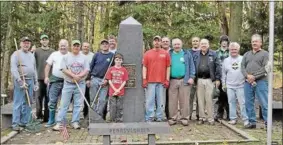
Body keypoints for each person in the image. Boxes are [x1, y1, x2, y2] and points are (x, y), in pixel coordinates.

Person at [53, 40, 89, 130]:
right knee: (64, 104)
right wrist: (73, 75)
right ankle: (59, 123)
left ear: (79, 47)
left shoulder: (84, 58)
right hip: (68, 83)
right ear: (71, 47)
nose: (76, 47)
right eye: (74, 45)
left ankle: (75, 122)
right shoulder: (66, 57)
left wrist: (79, 76)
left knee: (78, 104)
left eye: (77, 46)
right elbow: (63, 69)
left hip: (80, 84)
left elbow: (86, 70)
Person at [10, 37, 39, 131]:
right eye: (24, 43)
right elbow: (14, 69)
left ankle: (24, 122)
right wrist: (19, 81)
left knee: (28, 102)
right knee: (18, 103)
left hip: (30, 81)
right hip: (21, 81)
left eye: (28, 43)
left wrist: (36, 82)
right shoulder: (16, 54)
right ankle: (15, 124)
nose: (26, 44)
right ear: (20, 44)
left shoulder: (31, 55)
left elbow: (34, 69)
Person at [241, 34, 269, 129]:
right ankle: (252, 122)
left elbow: (266, 68)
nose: (254, 43)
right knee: (248, 103)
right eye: (253, 41)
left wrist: (254, 76)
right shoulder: (246, 54)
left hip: (261, 82)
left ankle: (267, 123)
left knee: (264, 103)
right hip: (247, 82)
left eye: (256, 41)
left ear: (261, 43)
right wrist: (247, 76)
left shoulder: (265, 54)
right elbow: (242, 66)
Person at [142, 35, 171, 122]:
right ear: (153, 42)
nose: (157, 42)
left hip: (161, 82)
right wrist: (144, 79)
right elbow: (144, 67)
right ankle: (149, 117)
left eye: (158, 40)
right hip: (150, 81)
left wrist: (167, 79)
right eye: (155, 40)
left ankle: (159, 117)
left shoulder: (165, 53)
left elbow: (168, 67)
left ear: (161, 42)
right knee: (149, 100)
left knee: (161, 101)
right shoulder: (147, 53)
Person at [167, 38, 195, 126]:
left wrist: (192, 77)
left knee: (185, 100)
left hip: (184, 80)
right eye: (175, 44)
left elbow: (192, 66)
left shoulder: (187, 54)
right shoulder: (169, 54)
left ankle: (184, 118)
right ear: (172, 45)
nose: (177, 46)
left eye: (178, 44)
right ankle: (173, 118)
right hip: (172, 80)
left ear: (181, 44)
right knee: (172, 101)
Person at [193, 39, 221, 125]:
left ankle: (210, 118)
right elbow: (193, 67)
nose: (203, 45)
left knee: (209, 99)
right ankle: (201, 118)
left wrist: (217, 79)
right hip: (199, 80)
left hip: (210, 80)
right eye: (202, 44)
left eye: (205, 43)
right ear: (200, 45)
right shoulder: (196, 54)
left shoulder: (213, 54)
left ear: (208, 45)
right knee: (200, 100)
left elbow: (218, 67)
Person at [222, 42, 248, 126]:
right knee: (231, 102)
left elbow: (247, 71)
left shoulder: (243, 58)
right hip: (230, 85)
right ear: (229, 50)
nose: (233, 51)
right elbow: (223, 74)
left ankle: (245, 119)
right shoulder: (226, 60)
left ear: (238, 50)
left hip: (241, 85)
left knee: (242, 103)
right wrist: (223, 84)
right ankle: (233, 118)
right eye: (232, 49)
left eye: (235, 49)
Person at [44, 39, 69, 127]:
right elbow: (48, 66)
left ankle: (62, 121)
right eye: (61, 45)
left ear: (67, 46)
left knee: (64, 103)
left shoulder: (70, 55)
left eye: (64, 45)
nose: (63, 47)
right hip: (54, 81)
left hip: (67, 82)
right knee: (52, 101)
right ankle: (51, 120)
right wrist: (46, 77)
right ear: (59, 46)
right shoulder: (54, 54)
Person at [87, 39, 114, 119]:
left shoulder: (112, 56)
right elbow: (91, 67)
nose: (105, 45)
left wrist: (107, 80)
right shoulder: (96, 55)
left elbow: (113, 69)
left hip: (105, 81)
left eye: (106, 44)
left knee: (103, 100)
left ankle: (99, 116)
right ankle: (93, 117)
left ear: (109, 46)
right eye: (103, 44)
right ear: (100, 46)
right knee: (93, 99)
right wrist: (88, 79)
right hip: (95, 79)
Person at [34, 34, 55, 122]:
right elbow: (32, 62)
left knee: (48, 99)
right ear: (40, 41)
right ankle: (39, 116)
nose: (44, 41)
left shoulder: (53, 51)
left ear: (48, 41)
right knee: (38, 99)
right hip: (38, 78)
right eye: (43, 40)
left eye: (46, 39)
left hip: (49, 79)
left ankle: (47, 118)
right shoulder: (36, 51)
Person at [105, 53, 129, 122]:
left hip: (120, 91)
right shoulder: (111, 69)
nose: (118, 61)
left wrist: (118, 89)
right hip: (112, 91)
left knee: (119, 106)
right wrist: (115, 89)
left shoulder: (124, 70)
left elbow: (124, 81)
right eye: (117, 60)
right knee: (112, 106)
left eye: (120, 60)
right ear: (114, 61)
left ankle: (118, 119)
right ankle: (112, 119)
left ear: (122, 61)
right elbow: (109, 80)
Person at [214, 35, 230, 121]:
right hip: (219, 77)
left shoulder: (231, 52)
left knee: (228, 96)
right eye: (222, 41)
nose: (224, 43)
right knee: (220, 97)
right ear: (220, 43)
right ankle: (219, 114)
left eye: (226, 41)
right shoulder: (216, 52)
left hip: (229, 78)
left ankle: (229, 115)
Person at [80, 42, 94, 119]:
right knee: (77, 99)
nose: (86, 48)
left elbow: (93, 69)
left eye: (87, 47)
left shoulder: (92, 55)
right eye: (84, 46)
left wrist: (88, 79)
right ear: (82, 47)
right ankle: (75, 118)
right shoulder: (77, 54)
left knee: (87, 98)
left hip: (88, 80)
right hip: (77, 79)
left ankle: (86, 115)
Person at [188, 36, 200, 120]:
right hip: (191, 78)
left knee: (199, 98)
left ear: (199, 42)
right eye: (194, 41)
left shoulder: (202, 52)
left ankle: (199, 114)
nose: (195, 42)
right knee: (190, 97)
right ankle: (188, 114)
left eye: (196, 41)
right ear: (191, 42)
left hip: (200, 78)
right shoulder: (188, 52)